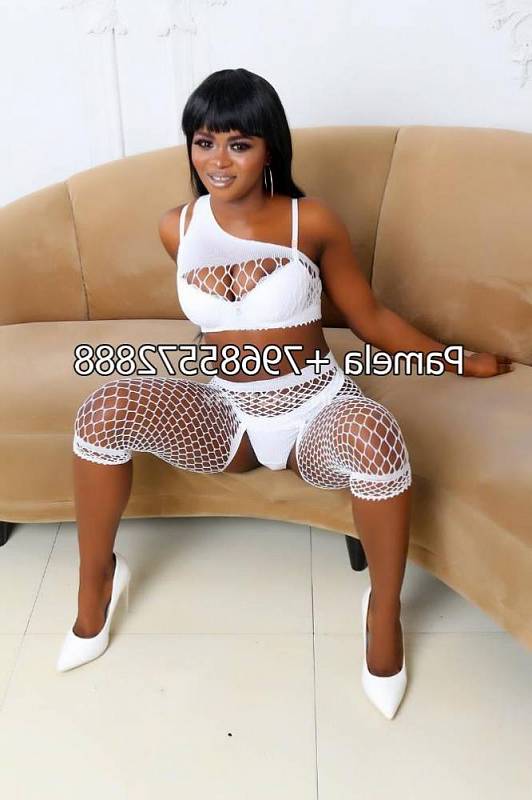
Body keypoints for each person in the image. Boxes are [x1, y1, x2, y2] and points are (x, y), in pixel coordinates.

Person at [57, 68, 514, 719]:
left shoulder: (310, 221)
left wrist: (455, 359)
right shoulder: (176, 228)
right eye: (204, 142)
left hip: (312, 410)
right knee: (103, 410)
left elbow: (369, 318)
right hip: (227, 414)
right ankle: (96, 583)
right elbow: (220, 323)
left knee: (378, 438)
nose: (218, 161)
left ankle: (383, 613)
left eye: (239, 144)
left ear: (270, 147)